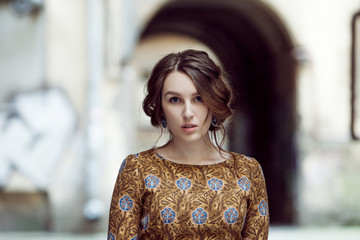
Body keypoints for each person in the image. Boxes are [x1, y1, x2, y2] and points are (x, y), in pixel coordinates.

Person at [107, 49, 269, 239]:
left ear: (213, 101)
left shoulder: (247, 171)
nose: (188, 112)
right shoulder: (137, 169)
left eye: (198, 98)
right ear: (160, 107)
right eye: (175, 100)